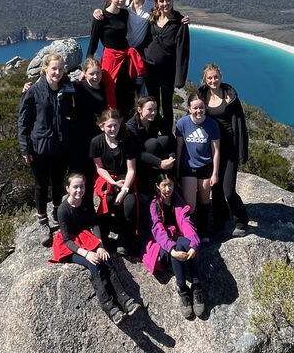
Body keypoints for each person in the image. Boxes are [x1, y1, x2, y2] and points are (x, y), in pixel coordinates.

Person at [50, 173, 141, 324]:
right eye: (75, 187)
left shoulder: (85, 202)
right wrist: (86, 254)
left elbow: (94, 224)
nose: (79, 190)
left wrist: (99, 245)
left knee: (105, 257)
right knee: (94, 263)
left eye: (82, 186)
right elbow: (66, 240)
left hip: (85, 236)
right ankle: (109, 306)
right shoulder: (63, 210)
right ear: (67, 189)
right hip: (70, 244)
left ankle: (123, 298)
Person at [18, 54, 75, 246]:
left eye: (60, 69)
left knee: (58, 181)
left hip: (61, 146)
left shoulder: (67, 88)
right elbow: (23, 122)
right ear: (45, 69)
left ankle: (58, 211)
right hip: (39, 148)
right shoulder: (33, 91)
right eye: (54, 69)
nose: (57, 73)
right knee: (41, 185)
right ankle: (43, 221)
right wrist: (25, 148)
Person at [197, 63, 250, 237]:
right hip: (210, 148)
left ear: (221, 77)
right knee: (216, 187)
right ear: (205, 79)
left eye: (216, 77)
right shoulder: (201, 97)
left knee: (228, 190)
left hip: (228, 148)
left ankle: (241, 221)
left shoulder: (230, 96)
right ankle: (220, 221)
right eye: (210, 78)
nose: (214, 80)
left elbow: (240, 124)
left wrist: (241, 152)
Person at [142, 174, 205, 319]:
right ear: (158, 186)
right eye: (164, 185)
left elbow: (185, 222)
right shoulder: (154, 204)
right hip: (161, 244)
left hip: (177, 238)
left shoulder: (178, 200)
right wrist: (171, 249)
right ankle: (182, 290)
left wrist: (194, 244)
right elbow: (158, 230)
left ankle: (196, 286)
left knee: (186, 243)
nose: (168, 188)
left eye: (170, 184)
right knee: (177, 248)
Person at [87, 0, 145, 117]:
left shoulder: (125, 13)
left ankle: (127, 124)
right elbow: (93, 43)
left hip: (126, 59)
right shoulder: (101, 18)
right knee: (110, 90)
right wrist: (87, 68)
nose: (121, 0)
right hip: (110, 60)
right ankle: (112, 121)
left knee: (127, 92)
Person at [89, 109, 138, 255]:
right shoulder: (96, 142)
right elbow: (99, 168)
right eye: (109, 126)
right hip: (107, 177)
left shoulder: (127, 140)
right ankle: (103, 238)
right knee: (106, 201)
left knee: (129, 205)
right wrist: (112, 182)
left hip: (125, 177)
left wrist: (123, 190)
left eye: (115, 126)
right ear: (102, 126)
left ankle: (124, 239)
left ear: (120, 125)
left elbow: (131, 170)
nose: (112, 129)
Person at [142, 0, 189, 132]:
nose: (165, 3)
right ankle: (152, 133)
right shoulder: (152, 18)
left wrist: (180, 79)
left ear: (172, 1)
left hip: (168, 71)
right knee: (152, 104)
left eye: (168, 0)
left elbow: (183, 52)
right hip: (150, 69)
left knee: (167, 105)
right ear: (156, 3)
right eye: (161, 1)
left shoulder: (180, 22)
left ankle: (168, 135)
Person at [175, 93, 220, 242]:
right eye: (195, 108)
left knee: (205, 200)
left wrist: (215, 173)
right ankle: (188, 231)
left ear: (205, 107)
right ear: (189, 108)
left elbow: (216, 151)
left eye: (201, 107)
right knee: (190, 205)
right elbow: (179, 147)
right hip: (188, 168)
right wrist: (177, 169)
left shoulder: (212, 125)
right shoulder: (182, 123)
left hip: (205, 167)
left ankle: (203, 231)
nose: (198, 111)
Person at [126, 95, 176, 198]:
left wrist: (171, 157)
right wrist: (159, 163)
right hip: (139, 160)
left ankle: (168, 185)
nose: (153, 112)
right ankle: (147, 186)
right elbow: (136, 152)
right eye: (149, 109)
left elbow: (170, 137)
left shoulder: (156, 118)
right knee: (152, 143)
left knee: (164, 139)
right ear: (139, 109)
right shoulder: (131, 126)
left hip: (153, 155)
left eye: (155, 109)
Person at [73, 57, 108, 187]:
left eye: (98, 73)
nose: (95, 76)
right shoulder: (77, 86)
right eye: (91, 73)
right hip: (81, 137)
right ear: (84, 73)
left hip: (98, 136)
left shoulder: (104, 88)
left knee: (96, 171)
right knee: (81, 173)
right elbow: (56, 85)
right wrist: (27, 89)